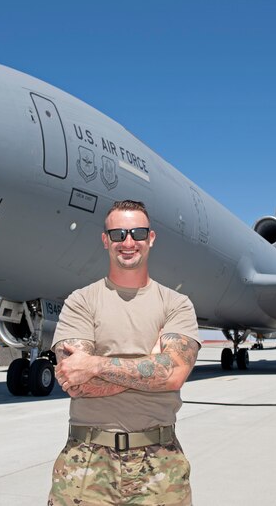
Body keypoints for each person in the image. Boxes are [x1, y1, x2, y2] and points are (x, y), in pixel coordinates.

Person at [48, 199, 201, 506]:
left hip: (161, 464)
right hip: (85, 464)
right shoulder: (81, 302)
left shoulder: (176, 304)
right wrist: (152, 366)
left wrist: (93, 363)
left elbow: (173, 375)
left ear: (151, 238)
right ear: (105, 240)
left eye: (137, 233)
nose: (128, 242)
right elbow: (76, 382)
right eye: (118, 234)